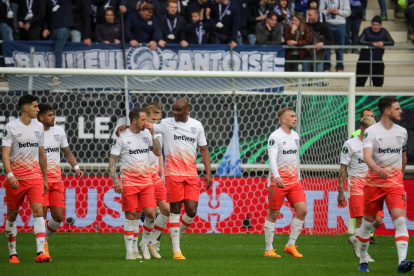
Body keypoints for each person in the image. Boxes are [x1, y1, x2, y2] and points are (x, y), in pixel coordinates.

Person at [152, 98, 212, 260]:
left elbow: (204, 149)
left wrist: (208, 173)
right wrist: (126, 127)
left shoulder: (196, 125)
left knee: (192, 210)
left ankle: (175, 234)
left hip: (191, 174)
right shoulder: (166, 124)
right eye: (174, 109)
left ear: (187, 110)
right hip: (173, 174)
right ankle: (176, 250)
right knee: (175, 210)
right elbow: (147, 126)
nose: (175, 113)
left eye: (179, 110)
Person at [358, 96, 413, 273]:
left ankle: (402, 262)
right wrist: (376, 168)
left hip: (395, 185)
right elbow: (367, 156)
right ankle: (363, 261)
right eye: (397, 108)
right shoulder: (371, 132)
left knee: (400, 221)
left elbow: (403, 156)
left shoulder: (402, 132)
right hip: (374, 184)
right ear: (387, 111)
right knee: (367, 225)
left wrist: (401, 176)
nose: (401, 111)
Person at [2, 94, 50, 264]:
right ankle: (13, 253)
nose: (39, 109)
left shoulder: (39, 127)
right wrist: (10, 175)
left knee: (38, 212)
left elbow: (42, 154)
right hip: (16, 178)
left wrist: (44, 178)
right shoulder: (11, 127)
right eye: (36, 106)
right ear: (26, 108)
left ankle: (40, 252)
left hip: (35, 177)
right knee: (12, 216)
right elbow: (5, 153)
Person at [109, 107, 162, 260]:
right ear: (134, 121)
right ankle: (130, 251)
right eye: (143, 120)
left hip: (146, 181)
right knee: (132, 216)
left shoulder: (147, 133)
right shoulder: (121, 135)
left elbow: (158, 152)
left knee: (151, 214)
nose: (146, 122)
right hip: (129, 182)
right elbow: (113, 159)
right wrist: (115, 179)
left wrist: (152, 134)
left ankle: (143, 243)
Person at [37, 103, 84, 260]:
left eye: (53, 114)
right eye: (50, 115)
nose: (53, 117)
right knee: (41, 214)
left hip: (56, 180)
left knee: (58, 216)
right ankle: (42, 248)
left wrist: (76, 167)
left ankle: (44, 240)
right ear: (41, 117)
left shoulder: (59, 131)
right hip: (39, 179)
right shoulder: (34, 133)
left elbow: (67, 152)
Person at [338, 116, 382, 263]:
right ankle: (363, 255)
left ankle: (356, 238)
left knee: (378, 220)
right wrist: (341, 190)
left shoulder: (376, 145)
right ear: (362, 128)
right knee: (361, 220)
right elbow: (343, 168)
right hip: (356, 184)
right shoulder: (350, 144)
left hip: (372, 185)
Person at [264, 107, 307, 258]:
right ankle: (269, 249)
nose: (295, 118)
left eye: (295, 116)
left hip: (294, 181)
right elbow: (272, 159)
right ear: (283, 119)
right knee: (273, 215)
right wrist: (276, 177)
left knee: (302, 210)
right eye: (292, 116)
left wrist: (299, 177)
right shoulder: (275, 137)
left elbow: (296, 159)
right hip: (278, 182)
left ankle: (290, 245)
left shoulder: (295, 136)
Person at [141, 103, 170, 259]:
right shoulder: (137, 131)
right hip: (140, 176)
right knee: (145, 213)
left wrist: (162, 173)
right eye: (151, 119)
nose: (154, 123)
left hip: (155, 176)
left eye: (157, 119)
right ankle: (138, 246)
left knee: (166, 209)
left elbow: (159, 154)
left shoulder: (159, 131)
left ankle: (152, 242)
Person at [356, 15, 394, 87]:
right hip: (364, 62)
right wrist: (373, 44)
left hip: (377, 62)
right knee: (360, 84)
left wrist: (383, 43)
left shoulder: (384, 31)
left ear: (381, 26)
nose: (375, 27)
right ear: (371, 25)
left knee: (378, 84)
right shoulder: (366, 30)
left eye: (377, 25)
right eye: (373, 24)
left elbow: (392, 42)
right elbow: (360, 41)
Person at [42, 0, 74, 86]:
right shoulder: (48, 2)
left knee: (57, 51)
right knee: (54, 52)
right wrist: (45, 28)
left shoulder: (66, 2)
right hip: (52, 29)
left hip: (63, 28)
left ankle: (57, 77)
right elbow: (45, 15)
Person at [319, 0, 350, 72]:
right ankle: (326, 67)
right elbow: (320, 12)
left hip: (340, 24)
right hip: (327, 23)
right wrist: (328, 11)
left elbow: (348, 12)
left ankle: (339, 67)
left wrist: (338, 12)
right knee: (326, 47)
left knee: (340, 47)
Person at [303, 8, 334, 72]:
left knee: (318, 79)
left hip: (319, 56)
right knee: (305, 78)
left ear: (316, 16)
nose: (308, 17)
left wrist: (322, 43)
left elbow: (331, 40)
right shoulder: (305, 26)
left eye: (310, 15)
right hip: (306, 55)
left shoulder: (323, 26)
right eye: (307, 15)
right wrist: (305, 45)